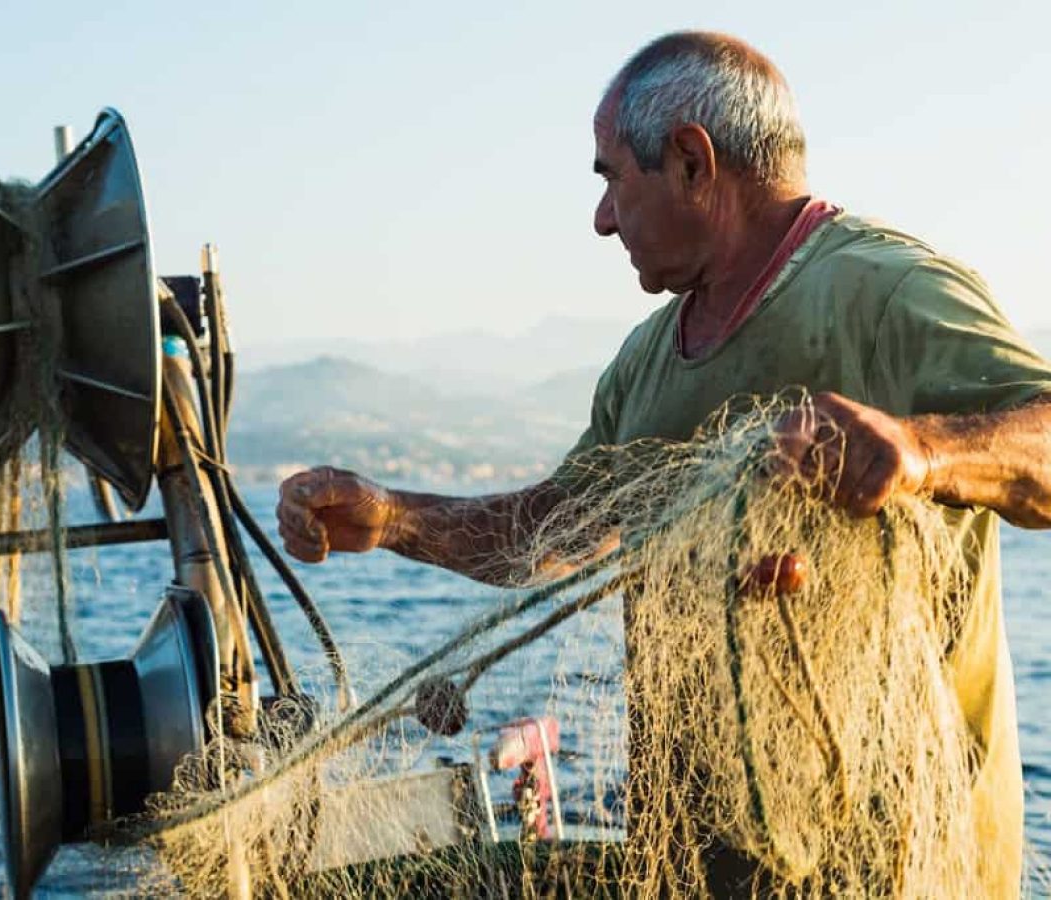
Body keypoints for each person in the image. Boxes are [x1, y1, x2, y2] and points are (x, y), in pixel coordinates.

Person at [277, 31, 1051, 897]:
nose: (602, 218)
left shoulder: (890, 293)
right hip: (698, 861)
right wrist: (394, 519)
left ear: (690, 161)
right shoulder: (643, 365)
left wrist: (923, 452)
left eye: (610, 178)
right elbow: (555, 530)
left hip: (900, 864)